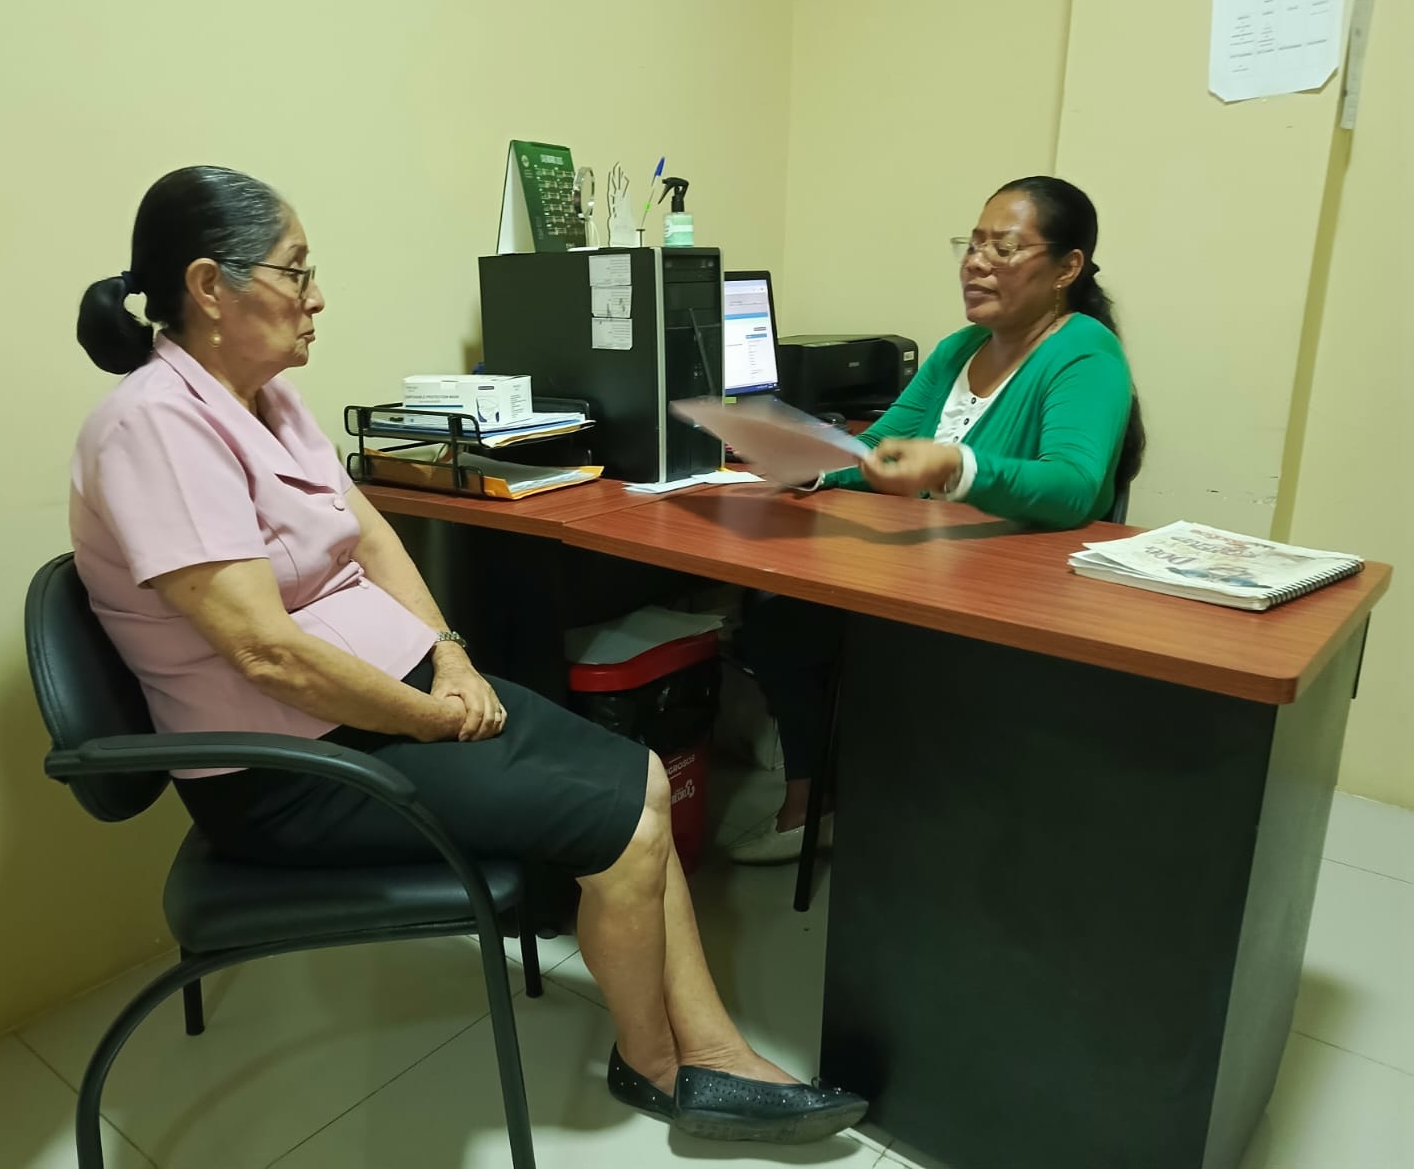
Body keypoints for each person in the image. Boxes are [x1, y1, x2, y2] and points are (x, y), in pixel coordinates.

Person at [69, 166, 866, 1143]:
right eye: (296, 271)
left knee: (643, 778)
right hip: (290, 769)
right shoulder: (153, 426)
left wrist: (449, 655)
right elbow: (266, 654)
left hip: (387, 704)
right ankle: (659, 1065)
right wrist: (429, 718)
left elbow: (367, 535)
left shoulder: (265, 399)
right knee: (623, 825)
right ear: (208, 287)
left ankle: (709, 1049)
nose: (316, 297)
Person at [731, 175, 1145, 865]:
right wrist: (811, 466)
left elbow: (1075, 487)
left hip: (1008, 594)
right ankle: (816, 798)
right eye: (972, 244)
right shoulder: (959, 348)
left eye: (1004, 248)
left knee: (831, 641)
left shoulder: (1085, 352)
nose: (976, 263)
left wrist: (955, 466)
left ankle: (891, 815)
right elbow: (878, 447)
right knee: (776, 629)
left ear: (1066, 268)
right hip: (925, 574)